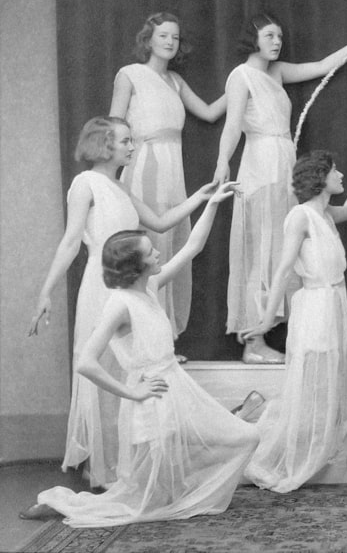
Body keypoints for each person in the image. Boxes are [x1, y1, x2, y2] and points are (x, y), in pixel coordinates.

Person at [21, 182, 261, 527]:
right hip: (151, 403)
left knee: (245, 438)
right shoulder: (119, 303)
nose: (158, 254)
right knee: (143, 500)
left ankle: (167, 492)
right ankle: (69, 505)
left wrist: (213, 204)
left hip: (177, 390)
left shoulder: (149, 287)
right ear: (135, 266)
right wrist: (133, 392)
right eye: (151, 253)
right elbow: (86, 362)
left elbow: (191, 247)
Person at [29, 116, 220, 489]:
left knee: (130, 370)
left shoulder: (120, 187)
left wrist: (203, 196)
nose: (133, 147)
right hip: (102, 287)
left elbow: (161, 222)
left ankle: (131, 465)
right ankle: (106, 468)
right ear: (105, 145)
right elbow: (71, 242)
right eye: (126, 141)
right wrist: (45, 291)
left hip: (132, 285)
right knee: (105, 371)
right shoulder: (85, 184)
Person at [214, 13, 347, 363]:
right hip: (260, 165)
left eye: (279, 35)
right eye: (269, 35)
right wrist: (221, 162)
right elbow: (232, 126)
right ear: (253, 39)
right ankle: (253, 343)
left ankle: (286, 335)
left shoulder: (276, 72)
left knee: (284, 248)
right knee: (260, 253)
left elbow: (321, 65)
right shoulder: (241, 76)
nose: (277, 42)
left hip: (284, 160)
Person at [239, 144, 347, 492]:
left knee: (325, 378)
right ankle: (277, 445)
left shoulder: (326, 214)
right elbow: (282, 270)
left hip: (332, 303)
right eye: (336, 171)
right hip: (315, 307)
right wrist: (265, 321)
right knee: (313, 378)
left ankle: (306, 444)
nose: (341, 175)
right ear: (320, 178)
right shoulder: (300, 216)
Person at [110, 12, 227, 340]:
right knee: (148, 247)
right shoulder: (130, 75)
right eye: (163, 36)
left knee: (171, 250)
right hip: (145, 165)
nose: (169, 42)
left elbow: (208, 111)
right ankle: (144, 337)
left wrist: (243, 82)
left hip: (173, 170)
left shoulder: (175, 81)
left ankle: (163, 338)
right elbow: (113, 126)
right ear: (148, 39)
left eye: (174, 37)